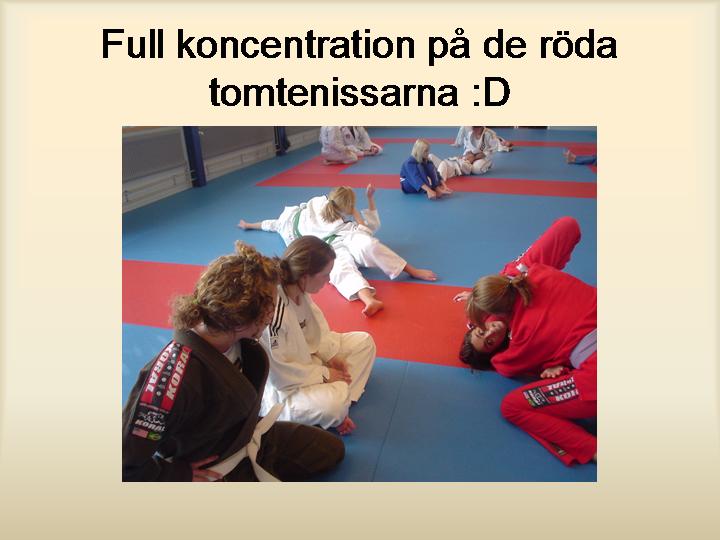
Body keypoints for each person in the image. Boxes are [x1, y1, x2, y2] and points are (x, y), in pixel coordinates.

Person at [122, 241, 345, 481]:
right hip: (216, 466)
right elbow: (124, 464)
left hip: (245, 435)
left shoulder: (238, 338)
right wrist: (177, 474)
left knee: (330, 451)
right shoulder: (169, 382)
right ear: (244, 317)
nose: (274, 313)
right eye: (271, 305)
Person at [456, 217, 597, 466]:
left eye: (480, 331)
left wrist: (485, 301)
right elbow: (568, 225)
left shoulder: (519, 341)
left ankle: (592, 449)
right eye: (489, 342)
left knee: (511, 407)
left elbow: (568, 226)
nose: (489, 333)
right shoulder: (527, 273)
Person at [239, 185, 437, 316]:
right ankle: (371, 298)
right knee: (345, 265)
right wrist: (249, 225)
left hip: (343, 237)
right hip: (328, 247)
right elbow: (271, 224)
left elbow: (269, 224)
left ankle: (400, 277)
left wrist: (249, 225)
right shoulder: (293, 218)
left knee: (364, 249)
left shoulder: (321, 207)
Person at [260, 236, 376, 435]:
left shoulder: (300, 291)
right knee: (334, 406)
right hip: (285, 389)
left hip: (308, 359)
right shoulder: (275, 313)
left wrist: (331, 356)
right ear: (305, 276)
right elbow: (280, 376)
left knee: (364, 343)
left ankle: (338, 403)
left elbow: (318, 330)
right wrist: (325, 374)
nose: (329, 280)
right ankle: (336, 408)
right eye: (325, 275)